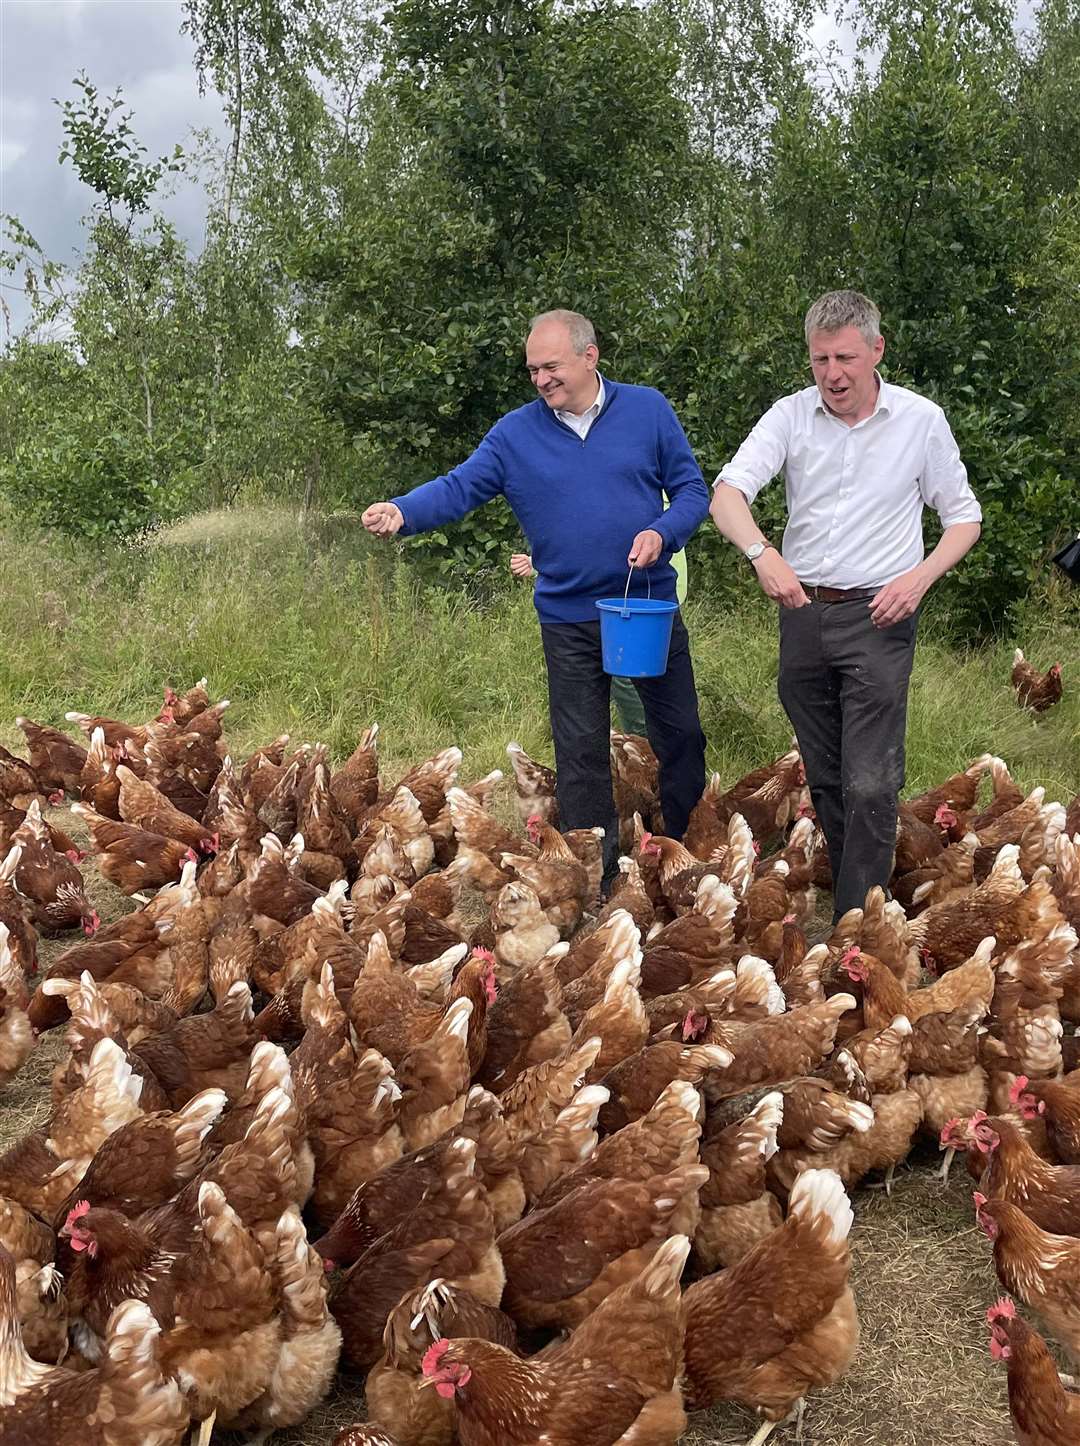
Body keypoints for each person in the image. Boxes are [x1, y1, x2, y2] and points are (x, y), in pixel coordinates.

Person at [363, 308, 709, 887]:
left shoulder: (647, 410)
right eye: (533, 371)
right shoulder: (515, 434)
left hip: (644, 609)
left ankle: (686, 852)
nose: (542, 379)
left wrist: (663, 532)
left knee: (680, 735)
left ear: (589, 356)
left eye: (551, 367)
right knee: (579, 752)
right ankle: (591, 881)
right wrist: (405, 511)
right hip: (569, 617)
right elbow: (460, 486)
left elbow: (694, 491)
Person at [710, 289, 982, 920]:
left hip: (880, 617)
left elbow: (963, 518)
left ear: (876, 350)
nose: (833, 374)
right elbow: (728, 495)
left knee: (870, 780)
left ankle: (856, 920)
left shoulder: (921, 421)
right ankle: (857, 886)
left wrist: (918, 578)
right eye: (820, 359)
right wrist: (761, 554)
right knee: (826, 774)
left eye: (845, 358)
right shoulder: (791, 415)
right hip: (803, 612)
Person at [509, 544, 689, 736]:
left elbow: (609, 550)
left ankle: (644, 746)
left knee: (628, 676)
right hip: (637, 604)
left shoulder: (646, 518)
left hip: (637, 606)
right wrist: (538, 564)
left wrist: (540, 564)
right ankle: (646, 745)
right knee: (637, 677)